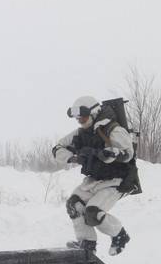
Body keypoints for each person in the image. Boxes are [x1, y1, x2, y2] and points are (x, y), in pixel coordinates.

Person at [52, 96, 140, 255]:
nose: (80, 121)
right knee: (74, 204)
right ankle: (87, 244)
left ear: (93, 113)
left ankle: (120, 235)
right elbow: (58, 147)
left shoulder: (113, 129)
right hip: (94, 179)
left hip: (116, 180)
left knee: (93, 212)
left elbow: (128, 154)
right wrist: (72, 157)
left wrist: (111, 155)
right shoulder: (81, 133)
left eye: (83, 118)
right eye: (78, 119)